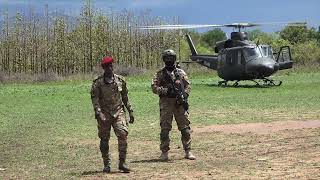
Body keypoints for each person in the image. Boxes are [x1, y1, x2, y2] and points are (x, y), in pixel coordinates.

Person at [90, 56, 135, 173]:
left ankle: (122, 163)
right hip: (104, 114)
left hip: (118, 112)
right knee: (104, 139)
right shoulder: (98, 83)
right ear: (104, 68)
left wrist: (130, 111)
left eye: (111, 66)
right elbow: (95, 100)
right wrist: (99, 113)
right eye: (107, 66)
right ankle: (106, 164)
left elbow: (125, 98)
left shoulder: (120, 80)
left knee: (123, 134)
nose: (110, 68)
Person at [151, 49, 196, 161]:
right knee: (165, 129)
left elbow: (188, 86)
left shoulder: (180, 73)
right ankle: (164, 152)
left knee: (185, 128)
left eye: (171, 58)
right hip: (166, 104)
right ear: (164, 59)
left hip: (179, 104)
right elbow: (154, 88)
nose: (169, 60)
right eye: (167, 58)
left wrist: (184, 96)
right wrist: (166, 91)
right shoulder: (160, 74)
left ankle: (188, 151)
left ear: (174, 59)